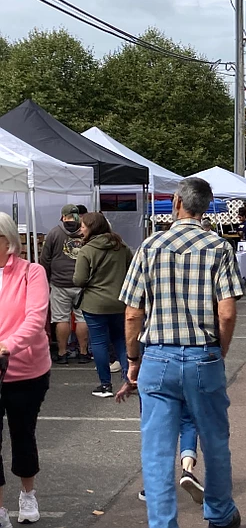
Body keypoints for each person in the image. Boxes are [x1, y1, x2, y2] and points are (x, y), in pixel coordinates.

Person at [120, 177, 245, 528]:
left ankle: (163, 523)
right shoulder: (219, 247)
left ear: (176, 202)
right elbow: (227, 312)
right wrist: (218, 351)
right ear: (206, 207)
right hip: (202, 354)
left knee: (157, 451)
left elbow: (132, 312)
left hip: (158, 356)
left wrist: (133, 359)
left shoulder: (149, 247)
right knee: (215, 440)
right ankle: (219, 513)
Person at [0, 212, 52, 525]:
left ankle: (27, 493)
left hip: (26, 371)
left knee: (22, 434)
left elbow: (35, 320)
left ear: (7, 241)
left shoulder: (32, 272)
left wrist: (7, 346)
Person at [73, 213, 133, 398]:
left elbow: (79, 280)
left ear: (92, 227)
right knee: (121, 340)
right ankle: (129, 380)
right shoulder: (122, 247)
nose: (81, 229)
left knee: (99, 343)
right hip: (120, 302)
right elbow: (131, 272)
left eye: (83, 226)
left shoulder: (87, 250)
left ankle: (105, 385)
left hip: (95, 304)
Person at [40, 204, 91, 365]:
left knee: (61, 319)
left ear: (63, 216)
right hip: (83, 283)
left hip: (59, 283)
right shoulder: (86, 232)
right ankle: (83, 352)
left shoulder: (54, 233)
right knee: (82, 318)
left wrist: (47, 278)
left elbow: (45, 259)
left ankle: (62, 353)